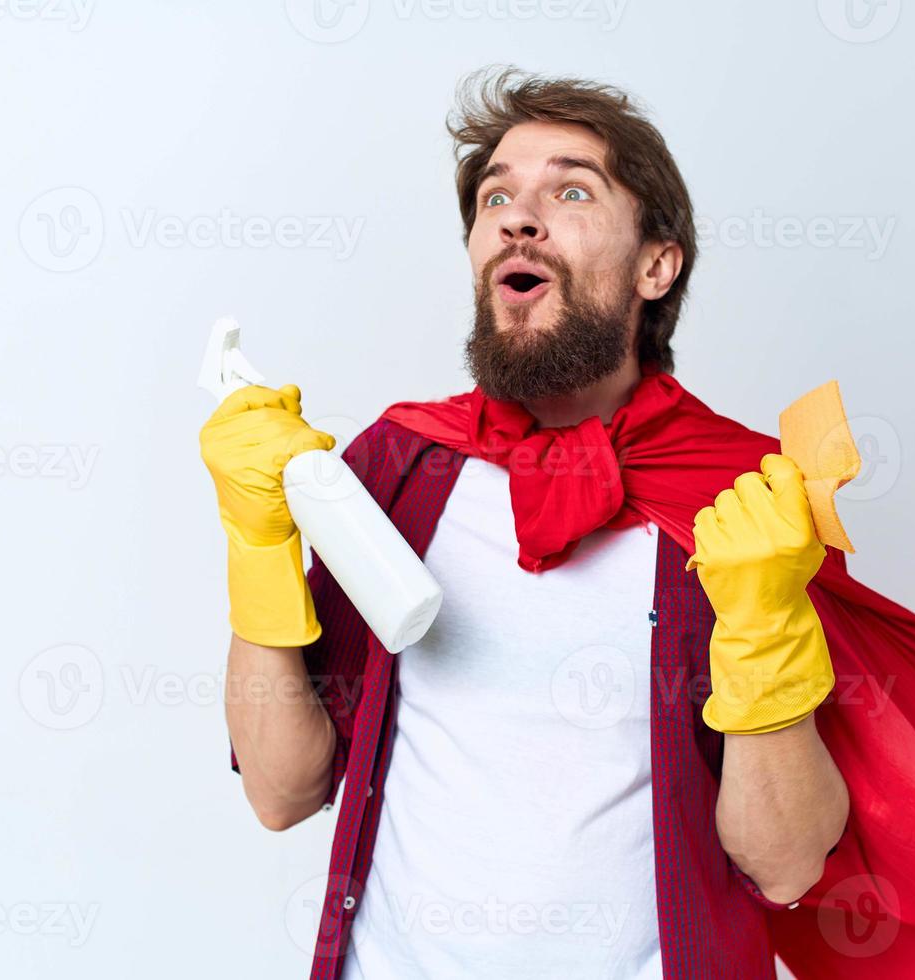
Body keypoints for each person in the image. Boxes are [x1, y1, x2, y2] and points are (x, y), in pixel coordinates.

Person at [199, 66, 848, 979]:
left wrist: (769, 631)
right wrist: (258, 541)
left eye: (571, 189)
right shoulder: (398, 464)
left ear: (655, 266)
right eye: (496, 195)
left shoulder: (748, 497)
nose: (516, 214)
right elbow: (281, 791)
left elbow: (786, 864)